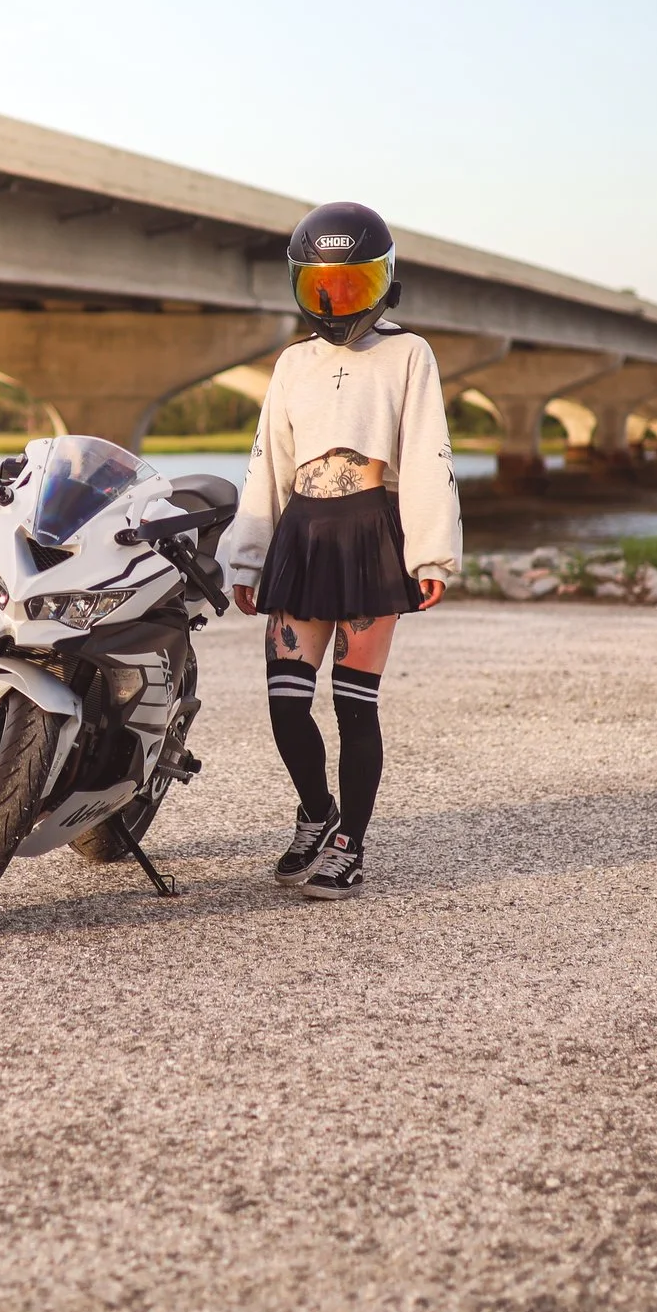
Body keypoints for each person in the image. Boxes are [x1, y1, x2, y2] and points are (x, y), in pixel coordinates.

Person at [219, 200, 461, 899]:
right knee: (287, 703)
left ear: (383, 281)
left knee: (355, 705)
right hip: (300, 534)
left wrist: (431, 553)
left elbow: (426, 453)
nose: (334, 300)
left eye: (350, 284)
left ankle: (350, 842)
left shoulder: (409, 353)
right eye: (320, 286)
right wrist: (247, 554)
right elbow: (267, 461)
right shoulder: (293, 364)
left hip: (367, 534)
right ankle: (317, 814)